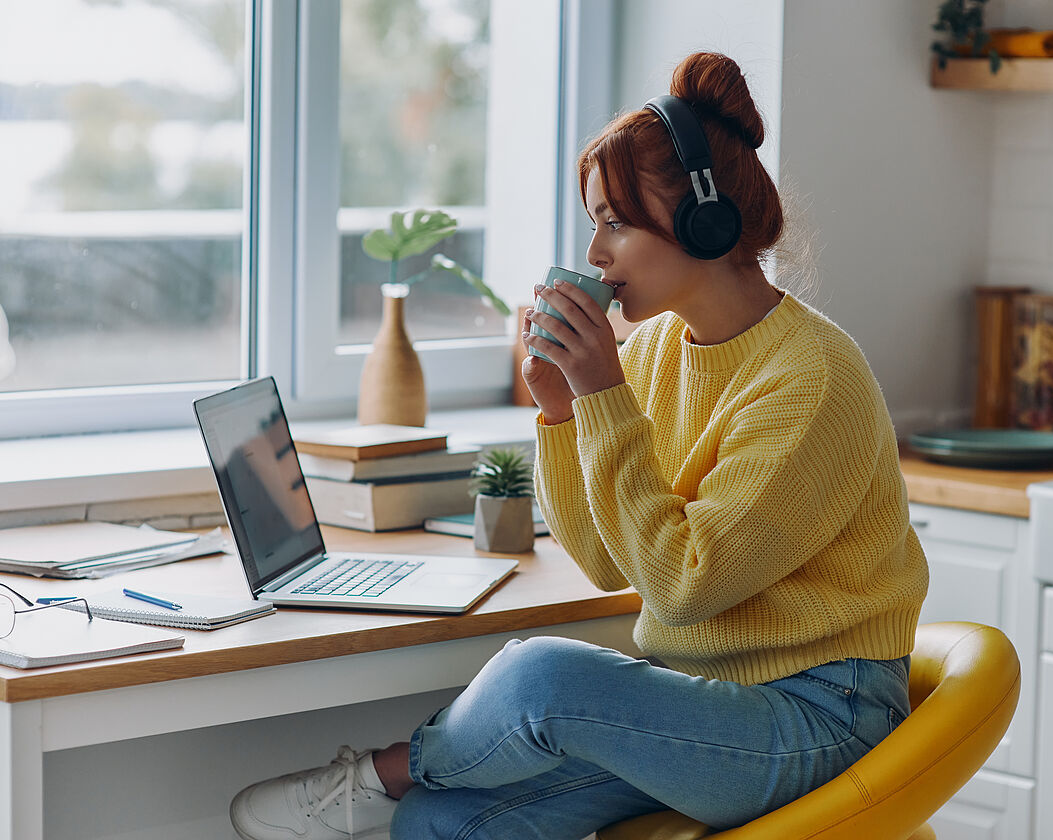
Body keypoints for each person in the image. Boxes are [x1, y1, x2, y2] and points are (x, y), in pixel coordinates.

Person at [228, 51, 928, 840]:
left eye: (616, 222)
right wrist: (561, 412)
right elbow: (604, 560)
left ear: (707, 221)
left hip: (819, 714)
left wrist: (601, 396)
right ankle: (407, 789)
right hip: (704, 701)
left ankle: (385, 770)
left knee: (541, 678)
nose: (595, 253)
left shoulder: (810, 378)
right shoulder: (661, 350)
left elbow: (684, 587)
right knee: (442, 823)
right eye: (595, 221)